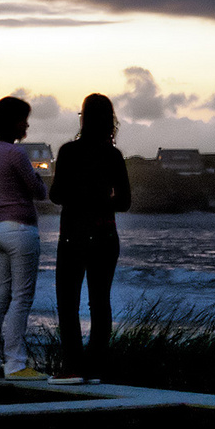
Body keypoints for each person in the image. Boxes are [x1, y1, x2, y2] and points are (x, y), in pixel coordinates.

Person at [48, 94, 131, 384]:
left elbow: (56, 194)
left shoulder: (69, 152)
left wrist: (78, 197)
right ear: (110, 121)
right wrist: (99, 199)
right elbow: (124, 202)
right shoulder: (113, 155)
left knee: (68, 303)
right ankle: (95, 367)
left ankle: (73, 366)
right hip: (106, 234)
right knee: (100, 303)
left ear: (83, 117)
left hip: (73, 235)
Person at [0, 96, 47, 380]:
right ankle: (16, 363)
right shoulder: (15, 153)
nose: (27, 124)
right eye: (23, 119)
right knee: (21, 297)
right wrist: (39, 179)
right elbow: (38, 191)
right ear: (12, 122)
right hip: (21, 229)